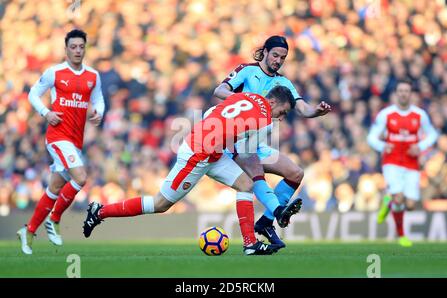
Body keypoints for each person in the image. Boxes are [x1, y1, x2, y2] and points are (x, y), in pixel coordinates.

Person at [83, 86, 302, 255]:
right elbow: (248, 154)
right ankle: (100, 211)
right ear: (272, 101)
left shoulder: (243, 96)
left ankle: (250, 244)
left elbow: (211, 112)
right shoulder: (264, 121)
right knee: (161, 204)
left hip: (209, 150)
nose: (280, 118)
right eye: (282, 112)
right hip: (198, 156)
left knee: (245, 184)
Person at [213, 35, 331, 248]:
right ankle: (277, 211)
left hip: (256, 143)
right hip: (236, 139)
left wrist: (316, 111)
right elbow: (220, 90)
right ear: (265, 52)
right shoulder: (247, 71)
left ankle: (266, 222)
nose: (278, 60)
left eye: (282, 58)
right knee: (256, 173)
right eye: (275, 55)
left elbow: (302, 107)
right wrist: (249, 101)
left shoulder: (283, 82)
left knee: (296, 173)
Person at [17, 29, 105, 255]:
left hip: (76, 141)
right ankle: (54, 219)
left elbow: (98, 100)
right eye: (73, 47)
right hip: (57, 137)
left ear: (85, 48)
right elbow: (33, 94)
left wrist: (99, 112)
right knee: (81, 177)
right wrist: (46, 113)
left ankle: (28, 230)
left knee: (55, 187)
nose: (77, 50)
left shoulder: (93, 76)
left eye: (81, 47)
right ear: (66, 49)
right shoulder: (54, 73)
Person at [367, 79, 438, 247]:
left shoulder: (420, 115)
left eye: (406, 91)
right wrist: (384, 145)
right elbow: (371, 137)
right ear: (396, 93)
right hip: (392, 161)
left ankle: (388, 201)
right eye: (400, 91)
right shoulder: (386, 114)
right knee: (399, 198)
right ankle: (401, 235)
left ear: (411, 94)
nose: (403, 94)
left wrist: (419, 147)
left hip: (411, 163)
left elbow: (432, 134)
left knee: (411, 205)